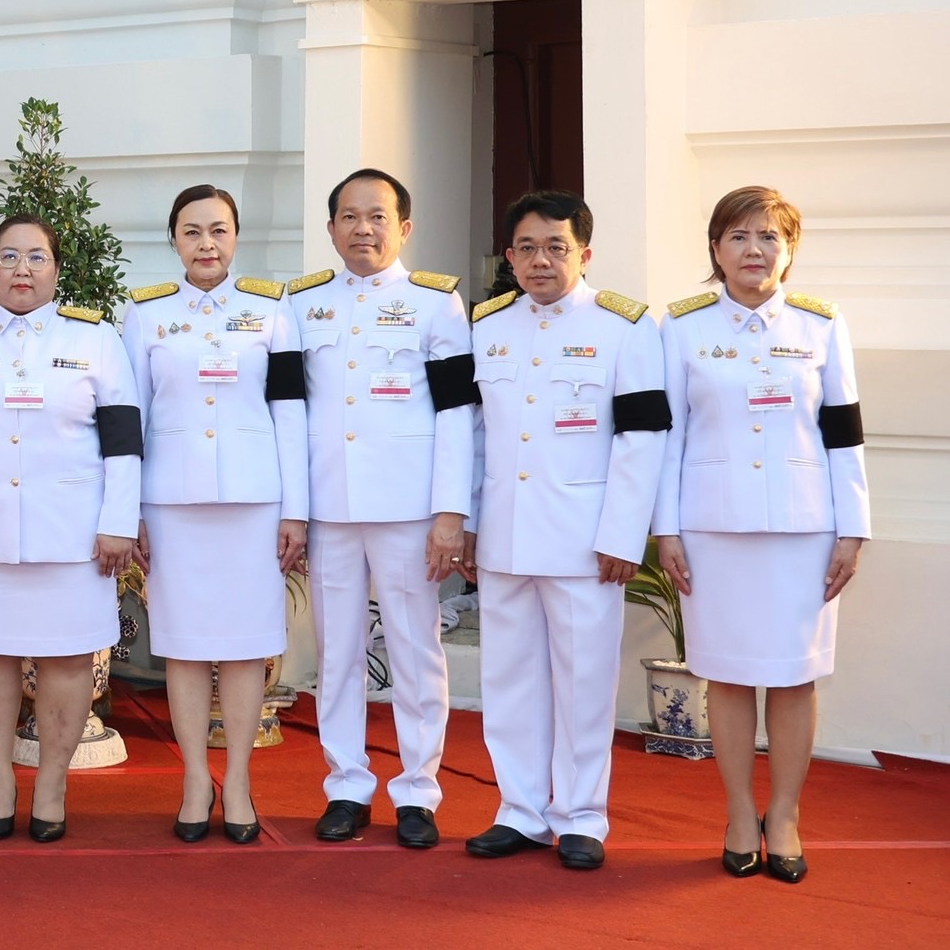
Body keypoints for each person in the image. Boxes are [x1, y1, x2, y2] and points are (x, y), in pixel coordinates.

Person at [654, 185, 868, 885]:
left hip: (805, 529)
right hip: (712, 528)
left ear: (790, 249)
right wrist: (666, 529)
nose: (754, 250)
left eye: (770, 236)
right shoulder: (681, 327)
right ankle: (741, 814)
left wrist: (853, 528)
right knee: (727, 674)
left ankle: (786, 815)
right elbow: (669, 436)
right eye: (739, 236)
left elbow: (844, 433)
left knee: (795, 676)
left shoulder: (821, 325)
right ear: (716, 249)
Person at [462, 191, 669, 871]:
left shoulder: (623, 327)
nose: (540, 261)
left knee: (583, 683)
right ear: (509, 256)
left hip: (586, 543)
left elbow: (642, 438)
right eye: (526, 248)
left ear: (585, 253)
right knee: (509, 681)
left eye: (556, 247)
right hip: (504, 535)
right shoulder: (488, 325)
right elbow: (475, 437)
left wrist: (622, 536)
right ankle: (519, 811)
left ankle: (581, 816)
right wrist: (466, 522)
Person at [283, 168, 477, 848]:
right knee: (336, 652)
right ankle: (347, 785)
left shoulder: (436, 303)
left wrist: (451, 513)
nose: (362, 228)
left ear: (404, 228)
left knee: (415, 649)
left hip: (408, 508)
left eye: (377, 217)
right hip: (330, 506)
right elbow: (291, 413)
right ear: (331, 227)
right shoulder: (302, 304)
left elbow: (457, 413)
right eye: (349, 216)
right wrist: (295, 509)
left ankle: (418, 791)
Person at [0, 212, 139, 843]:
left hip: (74, 535)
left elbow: (124, 439)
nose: (21, 269)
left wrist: (118, 521)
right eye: (8, 256)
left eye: (35, 257)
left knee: (70, 658)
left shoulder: (96, 339)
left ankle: (52, 786)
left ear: (55, 269)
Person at [121, 184, 307, 845]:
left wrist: (296, 510)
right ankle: (196, 780)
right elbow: (131, 418)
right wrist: (130, 509)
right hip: (172, 503)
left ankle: (240, 782)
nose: (206, 243)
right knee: (185, 645)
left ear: (236, 237)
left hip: (255, 504)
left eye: (219, 230)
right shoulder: (145, 314)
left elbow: (291, 412)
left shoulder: (272, 309)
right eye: (192, 231)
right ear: (174, 240)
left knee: (248, 644)